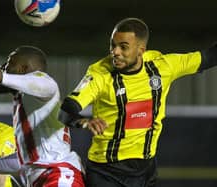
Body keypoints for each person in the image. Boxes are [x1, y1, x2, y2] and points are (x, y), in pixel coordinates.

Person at [58, 17, 217, 187]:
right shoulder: (99, 74)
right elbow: (66, 111)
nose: (115, 52)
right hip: (106, 172)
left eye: (123, 47)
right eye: (113, 45)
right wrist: (84, 121)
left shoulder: (163, 66)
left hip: (146, 170)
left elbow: (209, 57)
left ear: (141, 50)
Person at [0, 46, 85, 187]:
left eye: (8, 63)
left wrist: (1, 77)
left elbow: (46, 85)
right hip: (46, 176)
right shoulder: (30, 105)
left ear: (22, 69)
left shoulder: (42, 83)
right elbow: (20, 161)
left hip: (58, 175)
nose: (2, 67)